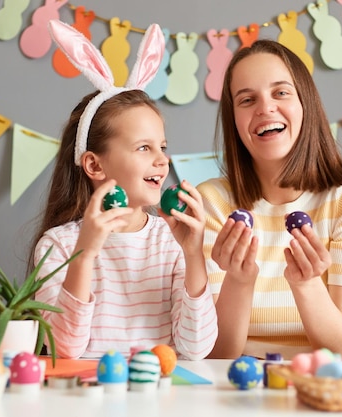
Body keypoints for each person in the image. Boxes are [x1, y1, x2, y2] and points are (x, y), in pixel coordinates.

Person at [29, 21, 217, 360]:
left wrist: (193, 255)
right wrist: (84, 255)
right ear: (95, 166)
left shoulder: (170, 241)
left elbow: (196, 348)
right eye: (144, 148)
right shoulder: (58, 246)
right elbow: (64, 349)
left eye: (162, 146)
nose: (163, 160)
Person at [197, 39, 342, 360]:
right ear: (234, 121)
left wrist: (307, 285)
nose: (265, 108)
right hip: (233, 383)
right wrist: (239, 282)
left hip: (318, 382)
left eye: (281, 92)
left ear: (305, 104)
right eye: (247, 99)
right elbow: (214, 352)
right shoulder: (211, 203)